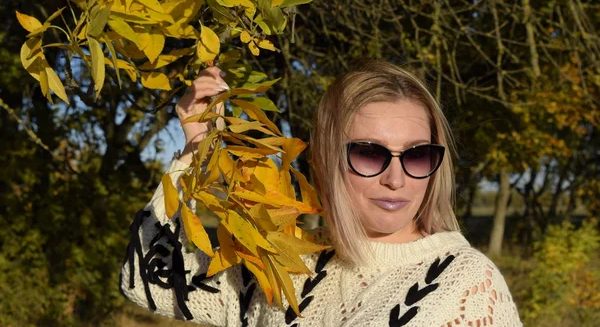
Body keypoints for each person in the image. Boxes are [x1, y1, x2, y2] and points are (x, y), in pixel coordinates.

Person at [120, 61, 523, 326]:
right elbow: (147, 281)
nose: (397, 180)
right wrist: (197, 145)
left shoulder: (465, 285)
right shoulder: (287, 268)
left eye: (417, 156)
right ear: (326, 160)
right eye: (369, 153)